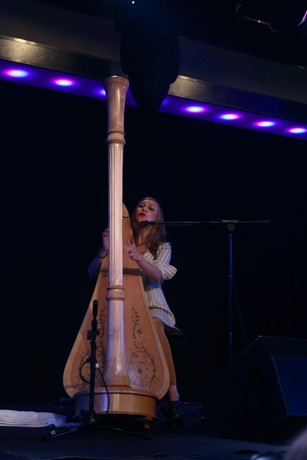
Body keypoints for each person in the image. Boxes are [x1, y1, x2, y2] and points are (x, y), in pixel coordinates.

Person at [88, 197, 183, 428]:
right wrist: (105, 250)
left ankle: (173, 399)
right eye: (142, 205)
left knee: (151, 324)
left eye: (151, 208)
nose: (144, 209)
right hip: (122, 309)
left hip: (154, 308)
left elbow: (158, 275)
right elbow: (92, 273)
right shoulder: (119, 245)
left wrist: (137, 256)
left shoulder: (161, 247)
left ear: (156, 219)